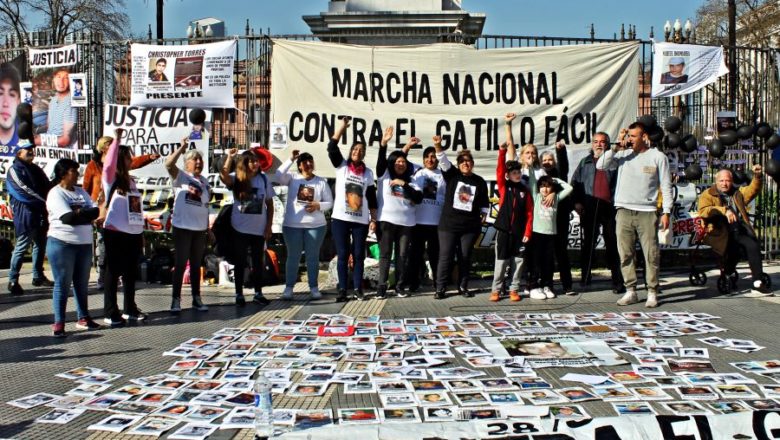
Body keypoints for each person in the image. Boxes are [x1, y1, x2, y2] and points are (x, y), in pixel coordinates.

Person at [596, 122, 672, 308]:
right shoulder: (622, 155)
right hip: (623, 209)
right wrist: (615, 146)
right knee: (625, 253)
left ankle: (652, 291)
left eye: (634, 136)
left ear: (644, 136)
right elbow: (600, 165)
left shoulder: (658, 157)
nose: (630, 139)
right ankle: (631, 290)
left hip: (647, 211)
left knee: (651, 254)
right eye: (628, 135)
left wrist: (667, 211)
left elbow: (666, 185)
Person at [82, 136, 158, 290]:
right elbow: (86, 187)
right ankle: (103, 276)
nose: (114, 148)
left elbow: (133, 161)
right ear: (103, 148)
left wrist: (149, 158)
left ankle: (123, 282)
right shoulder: (96, 167)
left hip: (127, 222)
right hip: (104, 213)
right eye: (111, 145)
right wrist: (91, 209)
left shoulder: (127, 177)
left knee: (127, 258)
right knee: (104, 248)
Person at [45, 159, 100, 337]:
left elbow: (96, 211)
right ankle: (59, 322)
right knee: (62, 283)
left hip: (83, 244)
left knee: (81, 284)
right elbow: (67, 218)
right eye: (73, 171)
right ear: (63, 174)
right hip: (62, 243)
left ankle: (83, 317)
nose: (77, 174)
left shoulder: (81, 192)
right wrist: (83, 214)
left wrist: (80, 214)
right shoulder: (55, 193)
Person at [698, 165, 771, 296]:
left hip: (738, 230)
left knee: (752, 245)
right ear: (716, 181)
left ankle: (757, 282)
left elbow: (753, 190)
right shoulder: (708, 194)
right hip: (719, 233)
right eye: (721, 181)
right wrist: (724, 210)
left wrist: (758, 177)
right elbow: (703, 211)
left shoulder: (737, 193)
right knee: (734, 248)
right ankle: (728, 271)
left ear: (731, 181)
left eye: (727, 181)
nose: (724, 184)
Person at [97, 129, 146, 326]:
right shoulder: (110, 178)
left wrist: (140, 231)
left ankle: (129, 308)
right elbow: (108, 163)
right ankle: (110, 311)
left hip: (133, 232)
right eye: (127, 157)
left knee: (130, 272)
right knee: (113, 271)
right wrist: (117, 140)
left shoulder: (131, 181)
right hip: (115, 232)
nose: (130, 160)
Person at [327, 117, 378, 302]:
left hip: (360, 220)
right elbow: (331, 147)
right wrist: (342, 127)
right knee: (342, 254)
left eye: (361, 150)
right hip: (340, 217)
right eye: (355, 149)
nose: (357, 152)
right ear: (351, 152)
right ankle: (342, 289)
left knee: (358, 255)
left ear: (364, 154)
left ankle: (357, 288)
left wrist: (374, 219)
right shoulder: (342, 166)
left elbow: (371, 197)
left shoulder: (368, 173)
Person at [433, 136, 489, 299]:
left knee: (465, 256)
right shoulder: (452, 175)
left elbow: (484, 201)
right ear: (458, 164)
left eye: (468, 161)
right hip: (448, 226)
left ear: (472, 163)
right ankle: (440, 288)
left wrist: (484, 214)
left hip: (470, 227)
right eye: (462, 161)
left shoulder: (479, 181)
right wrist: (437, 146)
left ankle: (463, 286)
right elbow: (442, 160)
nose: (466, 163)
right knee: (446, 256)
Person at [275, 149, 333, 300]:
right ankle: (289, 288)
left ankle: (313, 287)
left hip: (316, 226)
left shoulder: (321, 182)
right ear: (299, 166)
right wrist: (290, 159)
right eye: (304, 162)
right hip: (292, 226)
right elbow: (278, 175)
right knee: (293, 257)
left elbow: (329, 203)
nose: (308, 164)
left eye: (310, 161)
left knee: (312, 257)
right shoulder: (292, 178)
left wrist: (317, 205)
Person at [219, 148, 274, 306]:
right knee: (240, 261)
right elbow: (223, 176)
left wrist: (269, 226)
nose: (256, 164)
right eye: (252, 161)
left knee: (258, 262)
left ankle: (258, 293)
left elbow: (269, 204)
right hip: (240, 228)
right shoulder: (237, 178)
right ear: (245, 163)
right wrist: (229, 157)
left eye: (257, 161)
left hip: (259, 229)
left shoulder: (263, 180)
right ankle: (239, 294)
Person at [571, 131, 624, 293]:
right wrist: (577, 202)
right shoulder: (584, 162)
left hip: (609, 208)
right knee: (588, 245)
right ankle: (585, 279)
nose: (599, 144)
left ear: (607, 144)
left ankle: (617, 281)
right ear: (592, 144)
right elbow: (575, 183)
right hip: (590, 207)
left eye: (602, 142)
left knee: (613, 245)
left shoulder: (615, 162)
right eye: (596, 141)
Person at [490, 114, 533, 302]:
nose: (516, 175)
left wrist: (527, 232)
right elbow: (500, 171)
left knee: (518, 261)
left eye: (518, 172)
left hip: (519, 232)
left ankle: (514, 289)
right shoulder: (504, 186)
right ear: (508, 175)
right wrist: (501, 153)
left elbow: (530, 213)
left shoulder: (525, 190)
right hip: (503, 231)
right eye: (513, 173)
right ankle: (496, 290)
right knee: (501, 262)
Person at [375, 130, 423, 298]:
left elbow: (417, 198)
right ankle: (382, 286)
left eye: (403, 162)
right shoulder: (384, 175)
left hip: (407, 224)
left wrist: (404, 184)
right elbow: (383, 161)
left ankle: (400, 286)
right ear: (392, 163)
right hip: (386, 222)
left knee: (402, 256)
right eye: (397, 162)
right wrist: (384, 144)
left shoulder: (413, 179)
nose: (400, 164)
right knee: (385, 255)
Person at [166, 138, 210, 313]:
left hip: (199, 230)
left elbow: (205, 207)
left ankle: (196, 298)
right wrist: (182, 147)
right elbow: (169, 164)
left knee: (196, 264)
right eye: (195, 159)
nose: (198, 162)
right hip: (183, 228)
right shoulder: (182, 177)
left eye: (200, 159)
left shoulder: (205, 182)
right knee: (181, 263)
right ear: (187, 164)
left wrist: (208, 228)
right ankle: (176, 300)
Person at [6, 141, 52, 295]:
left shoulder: (36, 168)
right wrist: (45, 201)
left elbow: (47, 185)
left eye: (32, 149)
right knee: (21, 247)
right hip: (26, 214)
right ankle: (13, 280)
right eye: (28, 150)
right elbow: (23, 191)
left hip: (40, 213)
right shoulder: (14, 170)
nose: (31, 152)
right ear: (19, 153)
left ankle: (38, 276)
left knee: (40, 245)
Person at [406, 143, 446, 292]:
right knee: (415, 255)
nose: (430, 159)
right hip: (418, 221)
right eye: (427, 157)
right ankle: (413, 283)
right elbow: (400, 160)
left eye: (433, 157)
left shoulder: (443, 175)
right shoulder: (417, 174)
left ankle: (438, 283)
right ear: (423, 160)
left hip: (437, 223)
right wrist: (408, 146)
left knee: (436, 255)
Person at [539, 141, 574, 295]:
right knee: (545, 254)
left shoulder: (559, 174)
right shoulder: (538, 176)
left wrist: (561, 151)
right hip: (544, 221)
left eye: (550, 160)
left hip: (560, 220)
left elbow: (564, 165)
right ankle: (547, 285)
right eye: (544, 160)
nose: (547, 163)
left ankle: (567, 285)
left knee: (561, 252)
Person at [529, 176, 573, 300]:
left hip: (551, 235)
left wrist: (555, 181)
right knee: (536, 262)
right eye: (542, 186)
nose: (545, 189)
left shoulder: (556, 198)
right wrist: (530, 166)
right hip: (537, 234)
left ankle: (547, 286)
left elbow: (569, 188)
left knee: (548, 263)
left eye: (548, 186)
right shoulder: (536, 197)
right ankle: (534, 286)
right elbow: (532, 182)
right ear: (538, 188)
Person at [41, 69, 76, 147]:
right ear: (53, 78)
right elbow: (49, 127)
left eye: (66, 78)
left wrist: (36, 140)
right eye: (58, 77)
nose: (61, 82)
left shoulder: (72, 102)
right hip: (48, 147)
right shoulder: (53, 100)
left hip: (62, 151)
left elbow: (64, 140)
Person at [0, 62, 20, 147]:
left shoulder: (27, 139)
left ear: (18, 101)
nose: (5, 103)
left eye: (12, 95)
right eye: (0, 93)